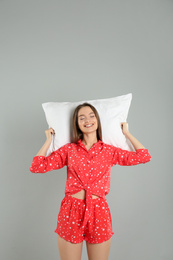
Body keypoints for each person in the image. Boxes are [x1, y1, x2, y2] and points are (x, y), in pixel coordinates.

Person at [30, 102, 151, 260]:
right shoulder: (69, 150)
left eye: (92, 116)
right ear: (77, 124)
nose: (88, 120)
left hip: (98, 212)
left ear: (98, 120)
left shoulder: (109, 151)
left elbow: (144, 156)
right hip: (71, 212)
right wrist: (48, 140)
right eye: (82, 118)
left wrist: (126, 133)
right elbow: (37, 166)